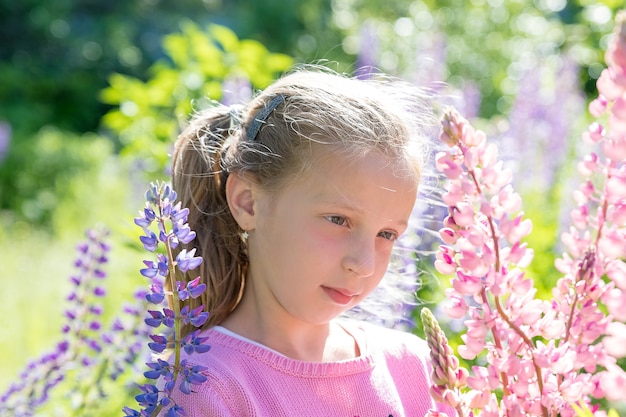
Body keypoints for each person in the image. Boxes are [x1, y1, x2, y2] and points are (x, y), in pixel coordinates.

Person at [169, 67, 449, 416]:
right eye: (338, 220)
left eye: (386, 234)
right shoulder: (203, 385)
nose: (363, 264)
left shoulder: (414, 368)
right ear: (248, 202)